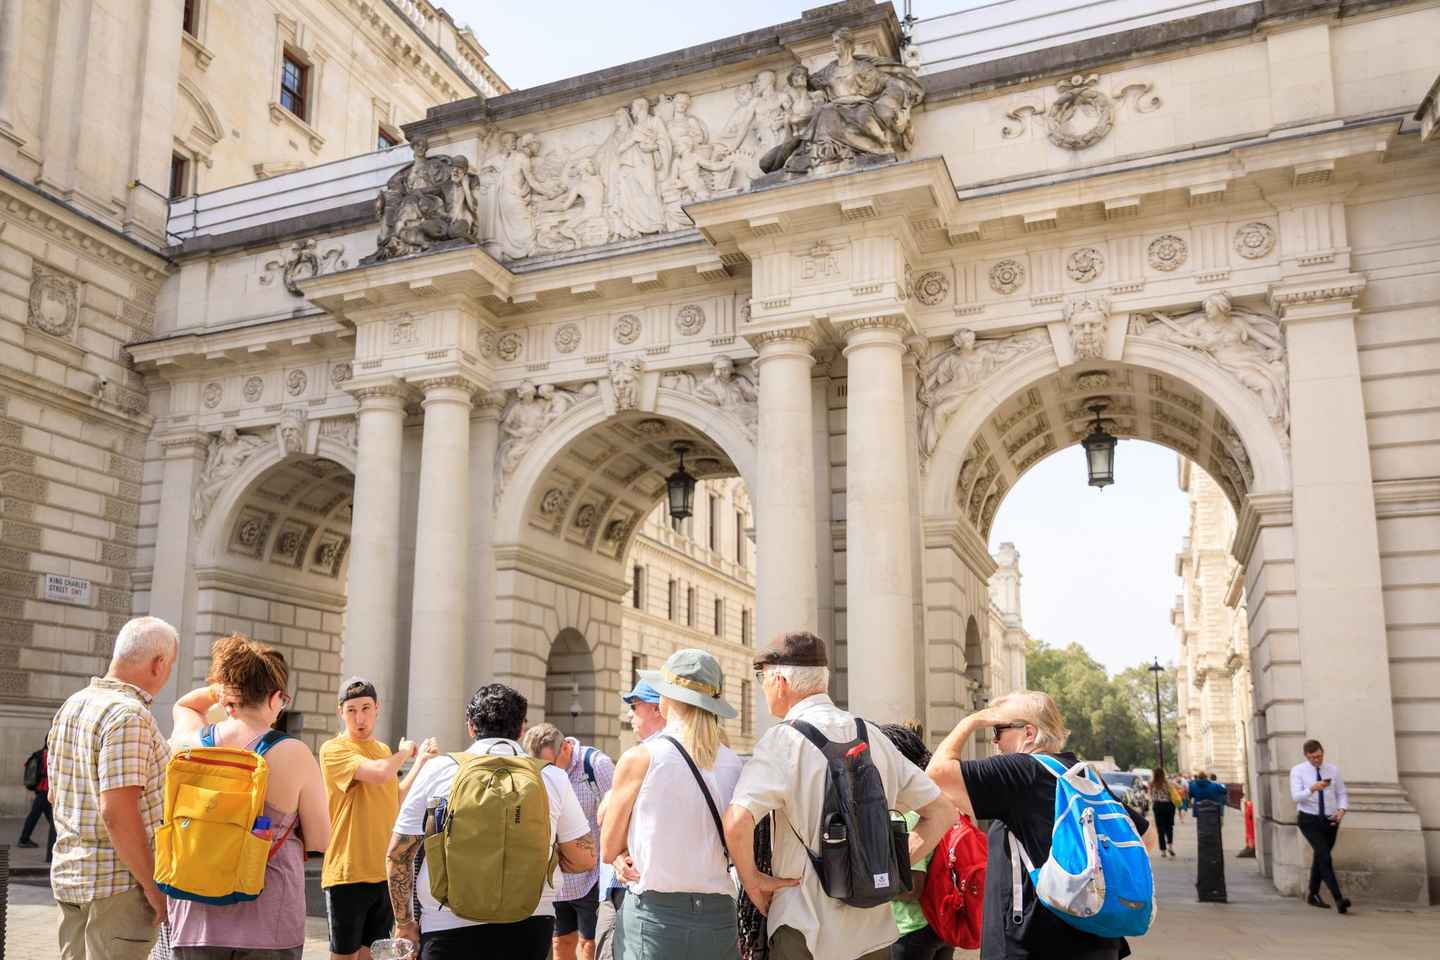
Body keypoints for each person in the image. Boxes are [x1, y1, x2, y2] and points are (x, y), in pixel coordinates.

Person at [723, 632, 955, 960]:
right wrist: (888, 863)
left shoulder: (783, 741)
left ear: (779, 679)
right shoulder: (872, 735)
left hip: (805, 926)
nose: (762, 688)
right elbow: (942, 812)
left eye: (761, 678)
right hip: (873, 929)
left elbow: (737, 822)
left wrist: (753, 881)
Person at [927, 690, 1153, 960]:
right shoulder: (1081, 774)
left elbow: (936, 775)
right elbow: (1146, 838)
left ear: (1029, 733)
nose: (995, 741)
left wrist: (972, 721)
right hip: (1097, 940)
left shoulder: (1022, 770)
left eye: (998, 730)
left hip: (1034, 944)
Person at [386, 683, 595, 959]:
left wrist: (404, 924)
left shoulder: (440, 769)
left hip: (447, 922)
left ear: (471, 727)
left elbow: (398, 854)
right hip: (530, 921)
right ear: (521, 729)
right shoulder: (551, 777)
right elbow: (584, 858)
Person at [166, 635, 331, 960]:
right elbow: (321, 839)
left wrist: (224, 688)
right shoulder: (293, 753)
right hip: (268, 922)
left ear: (230, 694)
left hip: (195, 918)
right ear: (274, 697)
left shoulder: (189, 742)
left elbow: (184, 704)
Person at [601, 650, 745, 960]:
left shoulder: (642, 758)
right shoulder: (735, 764)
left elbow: (608, 849)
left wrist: (627, 853)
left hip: (656, 918)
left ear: (666, 698)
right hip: (719, 916)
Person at [48, 616, 178, 960]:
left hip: (71, 876)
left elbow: (54, 794)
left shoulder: (72, 704)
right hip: (119, 886)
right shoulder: (128, 716)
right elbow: (118, 813)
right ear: (158, 663)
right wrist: (153, 887)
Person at [321, 678, 440, 960]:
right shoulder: (334, 749)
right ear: (341, 712)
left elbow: (394, 797)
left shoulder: (383, 752)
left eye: (365, 708)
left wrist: (419, 760)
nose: (359, 718)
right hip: (347, 875)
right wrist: (404, 752)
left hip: (382, 874)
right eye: (351, 710)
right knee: (343, 957)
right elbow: (379, 773)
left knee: (371, 955)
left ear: (377, 708)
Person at [523, 723, 615, 960]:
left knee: (588, 944)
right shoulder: (536, 772)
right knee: (560, 942)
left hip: (591, 877)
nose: (543, 771)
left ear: (565, 748)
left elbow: (618, 815)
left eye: (548, 764)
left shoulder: (596, 765)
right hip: (556, 878)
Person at [595, 678, 667, 960]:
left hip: (630, 887)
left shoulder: (648, 755)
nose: (629, 714)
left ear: (657, 710)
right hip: (622, 883)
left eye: (635, 707)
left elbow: (604, 814)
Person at [879, 723, 949, 960]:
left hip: (909, 929)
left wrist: (871, 882)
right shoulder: (935, 802)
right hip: (936, 925)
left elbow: (912, 887)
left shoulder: (908, 814)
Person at [1290, 739, 1350, 913]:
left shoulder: (1333, 770)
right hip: (1309, 820)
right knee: (1325, 856)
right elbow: (1296, 797)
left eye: (1319, 756)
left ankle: (1313, 894)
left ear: (1323, 752)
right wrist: (1312, 788)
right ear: (1306, 756)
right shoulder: (1298, 771)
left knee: (1320, 857)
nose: (1317, 760)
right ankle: (1339, 899)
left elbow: (1341, 793)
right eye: (1313, 757)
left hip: (1330, 819)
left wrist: (1342, 809)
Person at [18, 744, 56, 861]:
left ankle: (24, 839)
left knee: (40, 817)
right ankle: (24, 839)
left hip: (40, 791)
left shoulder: (39, 754)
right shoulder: (50, 755)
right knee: (52, 822)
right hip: (45, 791)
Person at [1149, 767, 1177, 858]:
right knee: (1169, 827)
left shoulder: (1152, 784)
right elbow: (1172, 793)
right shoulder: (1168, 783)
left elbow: (1151, 796)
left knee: (1160, 829)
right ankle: (1170, 847)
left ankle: (1163, 851)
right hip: (1168, 805)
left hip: (1157, 806)